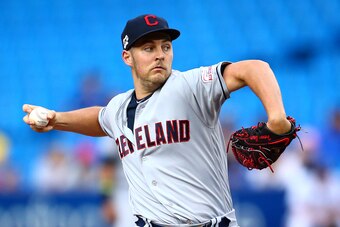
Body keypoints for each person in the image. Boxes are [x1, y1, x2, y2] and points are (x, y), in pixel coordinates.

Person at [23, 14, 293, 227]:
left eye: (166, 46)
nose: (160, 54)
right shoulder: (119, 107)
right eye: (148, 48)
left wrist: (277, 119)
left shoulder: (192, 85)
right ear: (127, 57)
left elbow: (254, 68)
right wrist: (57, 120)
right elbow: (99, 118)